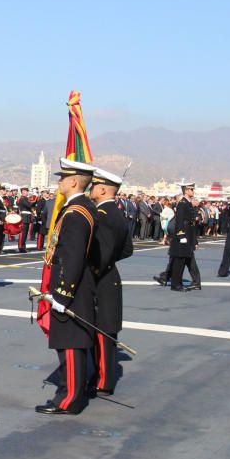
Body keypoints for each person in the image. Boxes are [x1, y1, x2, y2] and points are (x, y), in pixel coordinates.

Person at [35, 159, 97, 415]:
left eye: (62, 178)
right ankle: (75, 392)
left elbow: (71, 257)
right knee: (73, 344)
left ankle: (69, 399)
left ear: (73, 181)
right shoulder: (83, 208)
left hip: (70, 289)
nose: (59, 182)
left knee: (70, 345)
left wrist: (62, 293)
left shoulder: (75, 213)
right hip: (77, 287)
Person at [87, 168, 132, 397]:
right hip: (111, 275)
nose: (91, 188)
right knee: (106, 331)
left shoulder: (102, 215)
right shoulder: (118, 213)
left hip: (101, 279)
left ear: (102, 189)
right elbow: (127, 249)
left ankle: (103, 380)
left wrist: (91, 268)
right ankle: (102, 376)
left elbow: (100, 253)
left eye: (94, 185)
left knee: (103, 331)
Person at [168, 182, 199, 292]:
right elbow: (179, 221)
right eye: (191, 189)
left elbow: (192, 223)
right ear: (186, 190)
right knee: (179, 262)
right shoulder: (182, 203)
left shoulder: (188, 203)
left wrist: (194, 240)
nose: (193, 191)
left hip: (188, 235)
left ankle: (179, 282)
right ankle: (176, 284)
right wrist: (181, 235)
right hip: (183, 236)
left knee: (183, 260)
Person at [16, 186, 33, 252]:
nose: (27, 192)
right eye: (26, 191)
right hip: (24, 217)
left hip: (27, 217)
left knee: (25, 233)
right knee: (23, 233)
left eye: (27, 191)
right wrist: (33, 200)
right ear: (23, 192)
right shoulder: (23, 199)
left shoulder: (26, 198)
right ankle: (21, 247)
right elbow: (29, 205)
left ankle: (23, 246)